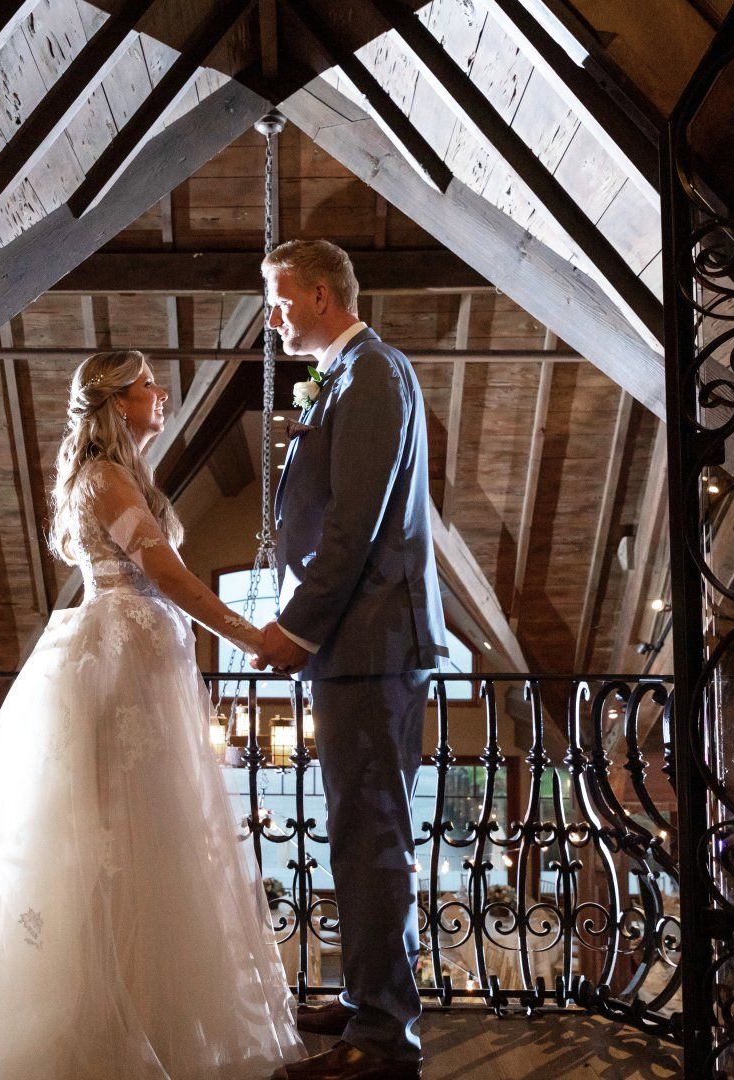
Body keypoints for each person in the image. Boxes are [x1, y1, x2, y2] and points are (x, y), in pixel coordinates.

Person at [0, 350, 303, 1079]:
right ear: (115, 402)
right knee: (111, 825)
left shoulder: (124, 474)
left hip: (142, 655)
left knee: (148, 828)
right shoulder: (103, 477)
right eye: (147, 387)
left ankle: (147, 1002)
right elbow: (164, 573)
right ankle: (88, 1013)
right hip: (121, 657)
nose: (161, 395)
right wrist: (248, 634)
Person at [251, 240, 447, 1080]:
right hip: (358, 645)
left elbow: (356, 521)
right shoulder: (348, 373)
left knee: (372, 840)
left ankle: (381, 1040)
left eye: (280, 298)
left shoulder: (371, 374)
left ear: (321, 293)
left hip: (371, 642)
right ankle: (370, 999)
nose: (272, 316)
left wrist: (295, 629)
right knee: (357, 836)